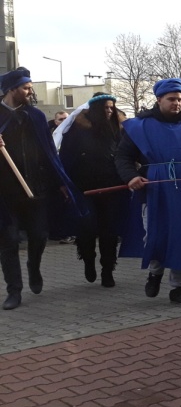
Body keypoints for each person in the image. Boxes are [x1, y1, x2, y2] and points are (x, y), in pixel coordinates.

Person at [115, 78, 181, 306]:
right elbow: (122, 157)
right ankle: (155, 272)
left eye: (180, 99)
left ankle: (178, 287)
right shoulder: (139, 126)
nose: (177, 103)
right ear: (159, 99)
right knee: (155, 234)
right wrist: (131, 177)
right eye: (172, 99)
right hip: (155, 191)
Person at [0, 68, 80, 310]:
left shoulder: (34, 116)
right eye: (25, 88)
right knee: (9, 240)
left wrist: (60, 184)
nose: (30, 91)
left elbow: (49, 154)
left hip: (36, 187)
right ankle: (14, 290)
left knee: (39, 235)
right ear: (12, 89)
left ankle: (34, 266)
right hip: (5, 192)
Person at [59, 93, 127, 287]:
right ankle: (88, 260)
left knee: (109, 231)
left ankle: (107, 269)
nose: (109, 111)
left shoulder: (118, 128)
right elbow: (65, 157)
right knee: (86, 227)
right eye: (106, 107)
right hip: (84, 187)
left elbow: (126, 154)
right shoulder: (77, 129)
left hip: (112, 186)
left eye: (112, 107)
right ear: (96, 108)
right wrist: (64, 183)